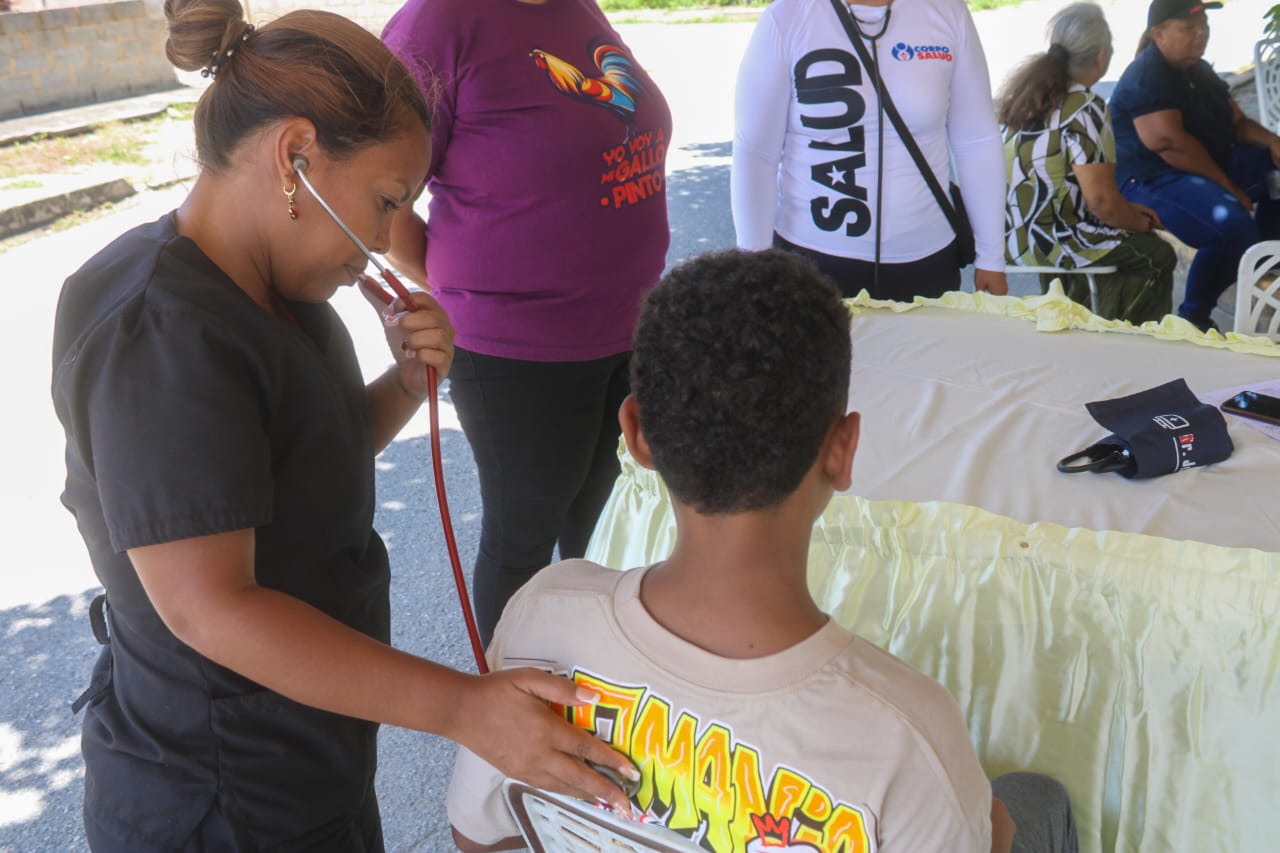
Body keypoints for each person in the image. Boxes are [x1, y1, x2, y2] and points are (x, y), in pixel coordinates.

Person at [50, 2, 638, 849]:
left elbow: (298, 467)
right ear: (295, 155)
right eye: (385, 201)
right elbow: (211, 607)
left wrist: (403, 384)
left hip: (308, 752)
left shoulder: (277, 290)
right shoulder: (159, 333)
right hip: (218, 796)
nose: (381, 239)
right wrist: (463, 707)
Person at [445, 249, 1080, 853]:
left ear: (637, 436)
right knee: (1035, 800)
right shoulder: (910, 735)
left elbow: (478, 835)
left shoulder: (544, 612)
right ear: (842, 450)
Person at [380, 0, 672, 646]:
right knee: (524, 539)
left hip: (627, 331)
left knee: (604, 533)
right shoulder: (439, 25)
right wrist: (474, 286)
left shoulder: (574, 7)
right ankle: (513, 699)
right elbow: (379, 194)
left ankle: (590, 679)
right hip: (519, 351)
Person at [731, 0, 1009, 302]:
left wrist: (991, 256)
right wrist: (753, 269)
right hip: (810, 264)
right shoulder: (786, 17)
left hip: (927, 261)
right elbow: (756, 155)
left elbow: (976, 141)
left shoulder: (948, 12)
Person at [999, 2, 1177, 324]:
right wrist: (1138, 223)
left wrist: (1127, 211)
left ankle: (1079, 321)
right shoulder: (1084, 106)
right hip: (1057, 241)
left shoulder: (1028, 98)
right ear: (1101, 56)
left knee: (1117, 237)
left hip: (1019, 238)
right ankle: (1121, 337)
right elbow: (1101, 203)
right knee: (1157, 254)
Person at [1109, 0, 1280, 331]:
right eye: (1188, 28)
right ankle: (1192, 318)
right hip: (1151, 178)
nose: (1200, 33)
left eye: (1204, 25)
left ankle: (1266, 267)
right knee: (1230, 227)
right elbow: (1170, 144)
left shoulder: (1198, 69)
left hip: (1200, 164)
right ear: (1158, 34)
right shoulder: (1147, 75)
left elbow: (1237, 123)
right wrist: (1230, 190)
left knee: (1276, 174)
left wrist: (1274, 142)